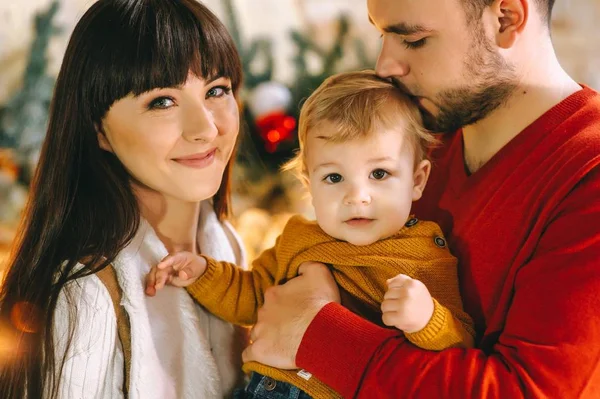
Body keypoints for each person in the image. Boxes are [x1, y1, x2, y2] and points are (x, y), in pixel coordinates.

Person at [241, 0, 600, 397]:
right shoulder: (413, 141)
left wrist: (316, 336)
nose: (385, 65)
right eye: (383, 34)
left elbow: (526, 392)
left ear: (506, 18)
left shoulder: (588, 177)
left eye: (413, 39)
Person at [145, 70, 475, 398]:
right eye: (334, 178)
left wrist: (426, 318)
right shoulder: (299, 238)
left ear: (417, 180)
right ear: (308, 184)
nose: (357, 195)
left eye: (379, 173)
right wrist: (203, 273)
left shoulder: (423, 254)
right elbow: (253, 296)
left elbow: (459, 345)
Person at [0, 1, 248, 398]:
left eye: (217, 90)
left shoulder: (228, 246)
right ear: (98, 129)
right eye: (162, 101)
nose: (206, 128)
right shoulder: (85, 292)